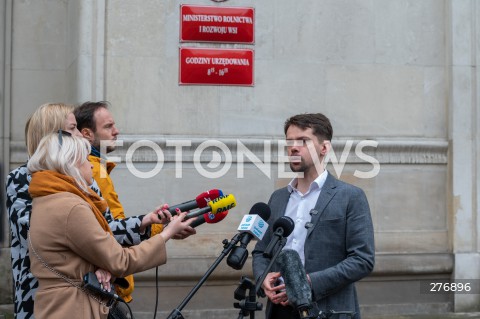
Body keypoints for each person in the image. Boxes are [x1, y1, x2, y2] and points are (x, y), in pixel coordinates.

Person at [5, 103, 169, 319]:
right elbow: (44, 235)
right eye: (72, 129)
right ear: (53, 135)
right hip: (40, 293)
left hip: (88, 294)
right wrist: (98, 262)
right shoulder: (20, 179)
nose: (81, 137)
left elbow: (102, 229)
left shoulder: (84, 173)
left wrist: (143, 223)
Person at [27, 132, 193, 318]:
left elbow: (72, 256)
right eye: (85, 158)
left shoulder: (47, 199)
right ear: (69, 163)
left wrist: (102, 268)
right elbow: (120, 261)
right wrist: (167, 233)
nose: (91, 164)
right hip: (73, 307)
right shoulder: (71, 206)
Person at [252, 113, 375, 319]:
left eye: (303, 141)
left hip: (327, 309)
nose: (293, 147)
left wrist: (306, 281)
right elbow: (260, 251)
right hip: (279, 311)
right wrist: (262, 277)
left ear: (324, 148)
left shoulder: (350, 196)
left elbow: (362, 259)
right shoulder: (278, 198)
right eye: (290, 142)